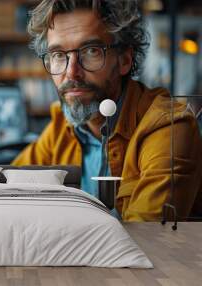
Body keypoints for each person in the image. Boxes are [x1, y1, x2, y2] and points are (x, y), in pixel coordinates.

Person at [12, 0, 202, 221]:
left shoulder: (168, 126)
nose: (72, 73)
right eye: (58, 55)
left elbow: (146, 239)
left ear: (124, 59)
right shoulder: (62, 127)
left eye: (91, 51)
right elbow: (2, 194)